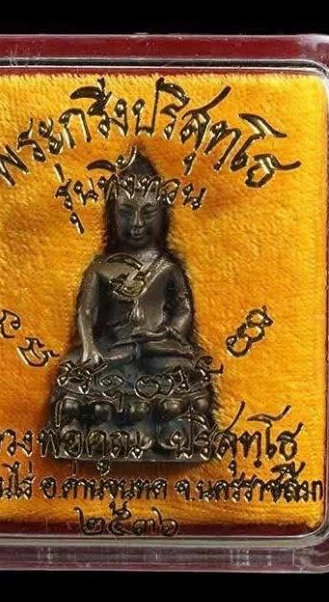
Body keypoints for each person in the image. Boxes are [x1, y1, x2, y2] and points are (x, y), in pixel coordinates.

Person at [49, 151, 216, 455]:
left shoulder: (167, 267)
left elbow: (183, 310)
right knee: (72, 373)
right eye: (126, 213)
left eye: (148, 213)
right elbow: (86, 311)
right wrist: (89, 347)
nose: (137, 223)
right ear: (112, 216)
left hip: (157, 349)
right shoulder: (101, 268)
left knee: (187, 376)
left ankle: (170, 430)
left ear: (162, 216)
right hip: (113, 348)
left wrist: (167, 333)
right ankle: (97, 431)